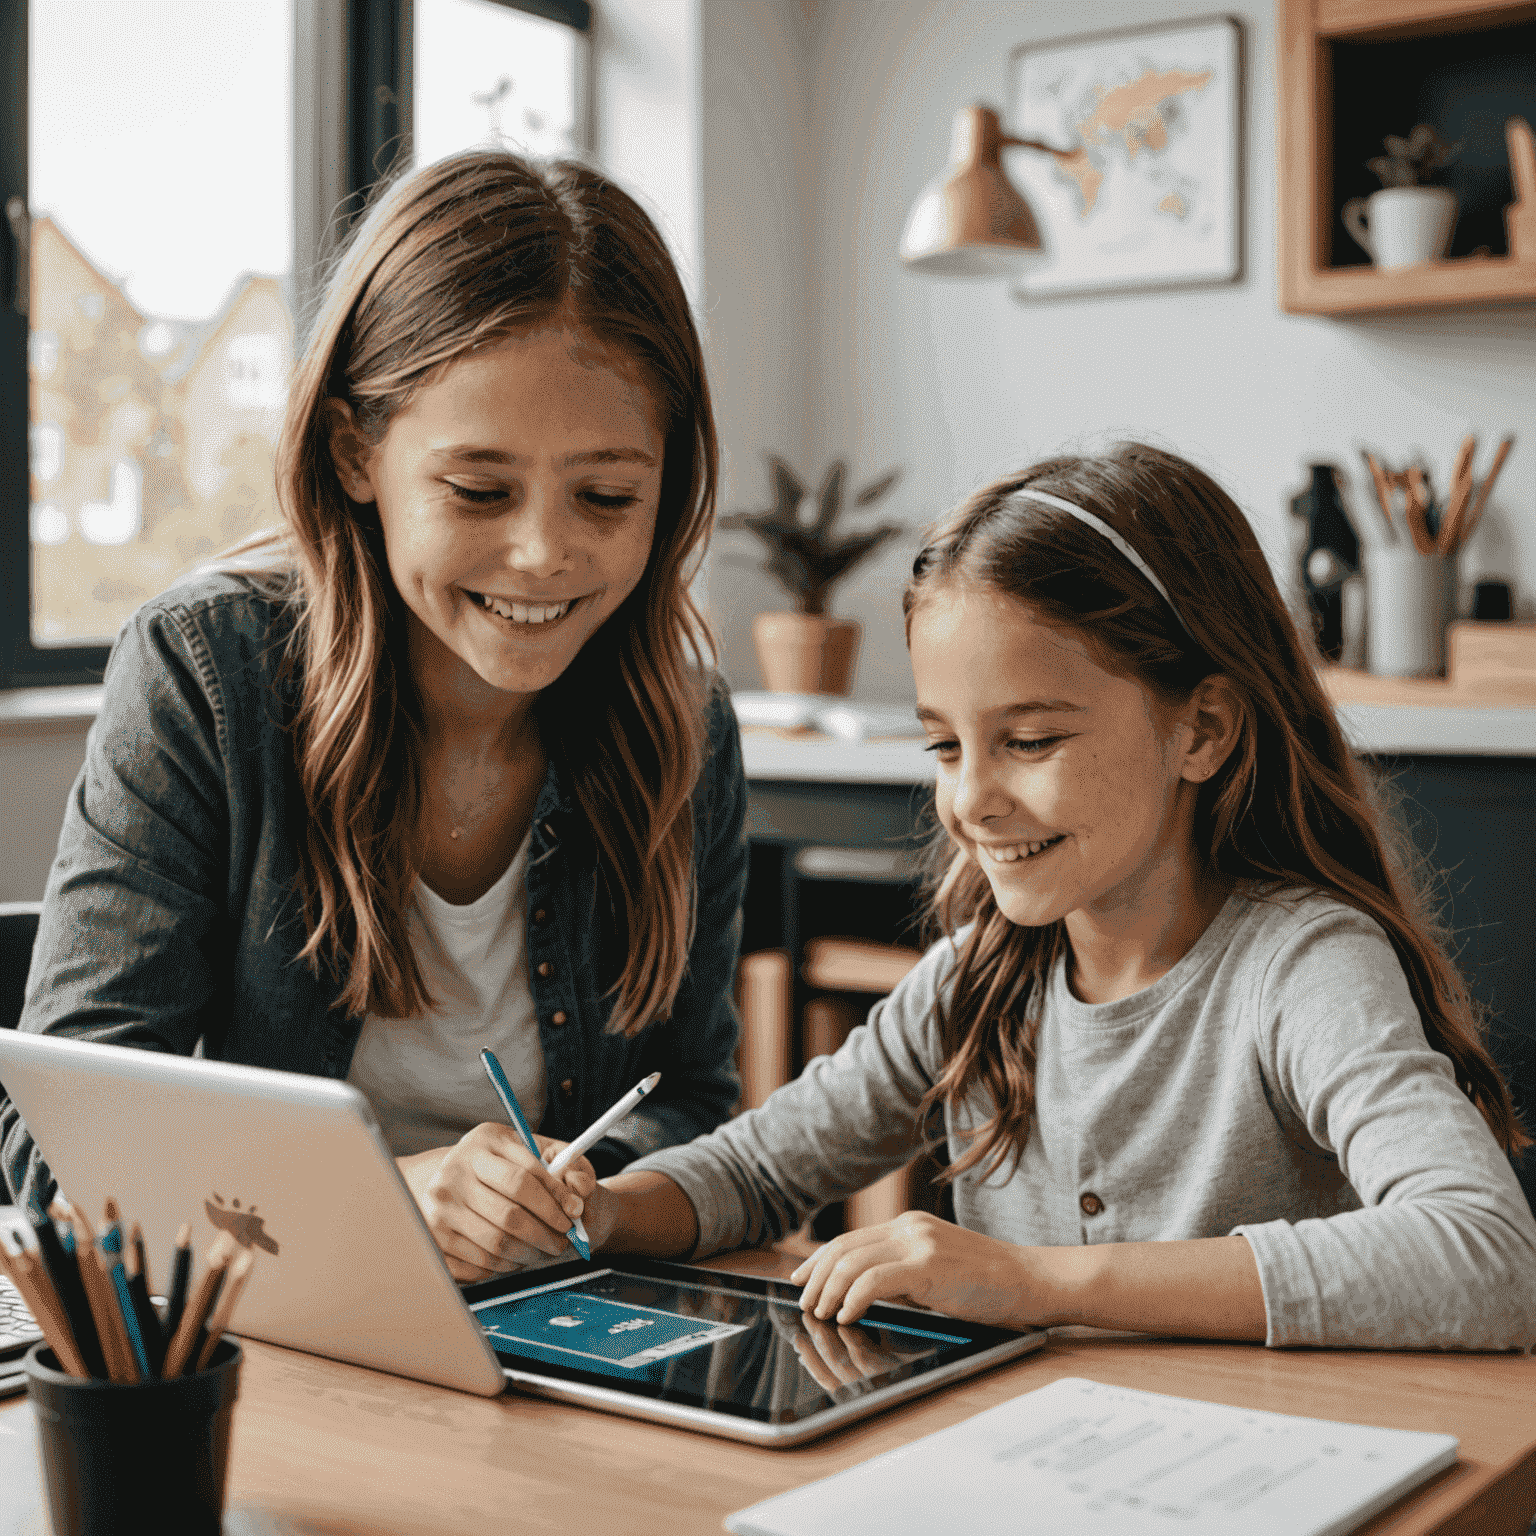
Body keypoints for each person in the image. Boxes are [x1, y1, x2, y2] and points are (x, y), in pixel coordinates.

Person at [575, 442, 1535, 1350]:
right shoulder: (975, 983)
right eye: (946, 747)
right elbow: (754, 1170)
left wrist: (1036, 1284)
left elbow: (1487, 1253)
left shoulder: (1301, 968)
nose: (972, 801)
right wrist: (595, 1209)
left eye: (1030, 742)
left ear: (1202, 730)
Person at [1, 150, 749, 1284]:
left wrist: (587, 1195)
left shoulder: (683, 722)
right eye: (478, 490)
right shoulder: (207, 674)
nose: (545, 553)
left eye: (607, 495)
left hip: (546, 1324)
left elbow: (693, 1100)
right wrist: (390, 1202)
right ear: (358, 452)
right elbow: (61, 1143)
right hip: (280, 1320)